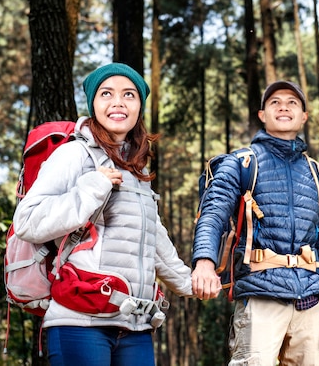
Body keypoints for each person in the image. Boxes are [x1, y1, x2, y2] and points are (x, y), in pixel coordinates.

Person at [13, 63, 193, 366]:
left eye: (129, 95)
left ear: (139, 106)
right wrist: (91, 188)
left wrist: (194, 283)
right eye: (106, 93)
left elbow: (153, 240)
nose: (118, 102)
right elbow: (27, 222)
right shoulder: (74, 154)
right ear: (93, 104)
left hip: (134, 325)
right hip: (79, 321)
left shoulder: (137, 167)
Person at [192, 80, 319, 366]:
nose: (284, 106)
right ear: (262, 115)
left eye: (293, 102)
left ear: (304, 116)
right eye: (275, 102)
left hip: (310, 304)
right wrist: (204, 261)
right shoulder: (240, 163)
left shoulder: (318, 175)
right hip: (260, 297)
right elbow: (212, 214)